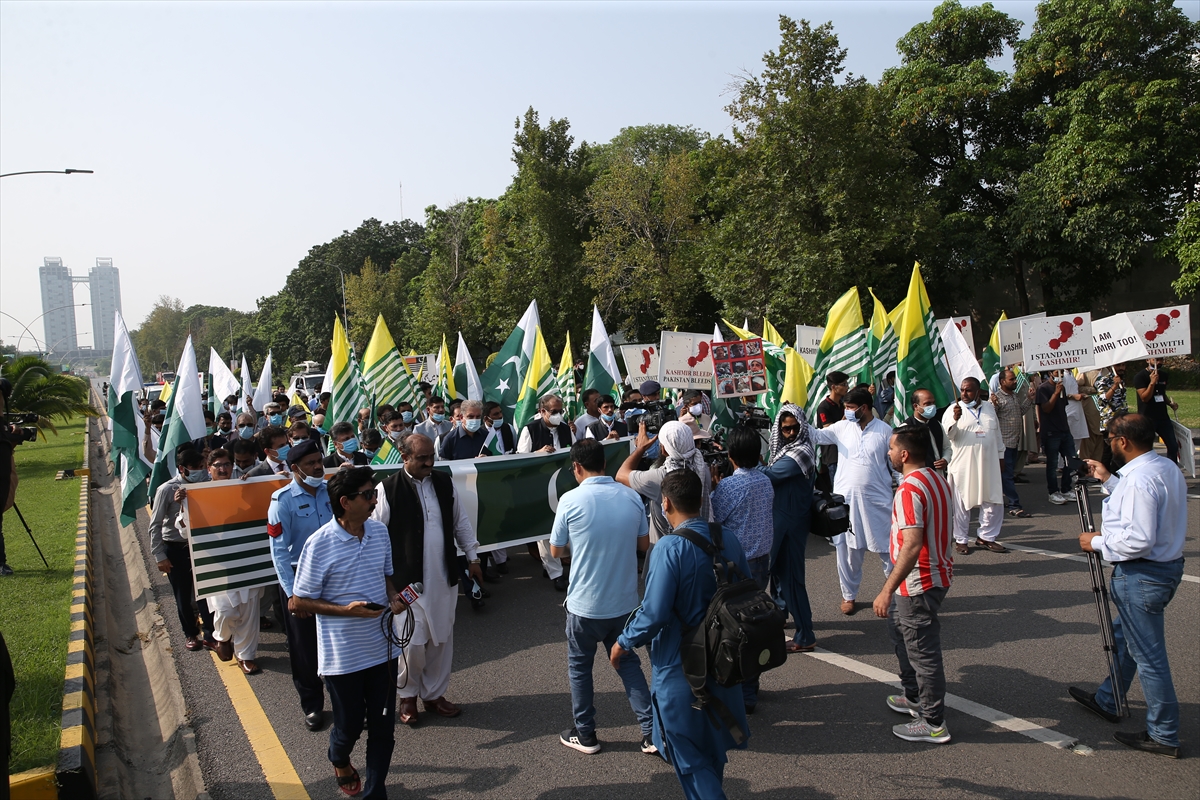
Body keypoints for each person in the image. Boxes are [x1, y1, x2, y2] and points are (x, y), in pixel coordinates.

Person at [611, 470, 750, 800]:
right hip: (726, 661)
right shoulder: (727, 537)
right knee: (713, 749)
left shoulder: (669, 548)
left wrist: (623, 642)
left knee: (689, 758)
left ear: (666, 502)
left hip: (681, 666)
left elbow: (654, 613)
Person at [1069, 412, 1187, 757]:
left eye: (1110, 439)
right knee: (1124, 635)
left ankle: (1164, 733)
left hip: (1143, 573)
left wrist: (1097, 542)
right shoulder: (1162, 468)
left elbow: (1138, 539)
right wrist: (1107, 479)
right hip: (1162, 570)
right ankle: (1109, 698)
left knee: (1149, 657)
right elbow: (1141, 507)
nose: (1109, 445)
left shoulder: (1140, 480)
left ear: (1123, 442)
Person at [291, 467, 400, 800]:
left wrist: (395, 597)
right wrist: (345, 610)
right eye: (367, 495)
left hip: (383, 650)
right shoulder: (319, 543)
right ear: (344, 502)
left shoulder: (379, 532)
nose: (374, 500)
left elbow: (385, 576)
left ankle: (374, 791)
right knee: (350, 726)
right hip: (343, 657)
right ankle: (339, 757)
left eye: (374, 494)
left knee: (383, 727)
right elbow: (298, 602)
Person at [548, 440, 654, 755]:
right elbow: (644, 544)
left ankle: (586, 734)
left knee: (580, 668)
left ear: (577, 467)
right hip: (623, 604)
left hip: (583, 605)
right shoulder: (632, 497)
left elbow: (556, 551)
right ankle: (650, 733)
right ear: (605, 464)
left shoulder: (570, 500)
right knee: (628, 663)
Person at [372, 433, 483, 726]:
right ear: (404, 456)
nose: (429, 462)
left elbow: (460, 522)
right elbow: (375, 535)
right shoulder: (388, 489)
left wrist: (473, 558)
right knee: (412, 642)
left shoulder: (444, 483)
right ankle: (407, 695)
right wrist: (386, 584)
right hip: (407, 584)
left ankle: (434, 695)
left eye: (431, 456)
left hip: (443, 576)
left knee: (441, 638)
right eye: (422, 457)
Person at [872, 425, 954, 745]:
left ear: (904, 454)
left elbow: (911, 544)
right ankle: (915, 696)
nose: (889, 453)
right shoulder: (935, 478)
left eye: (892, 448)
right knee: (903, 636)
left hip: (918, 582)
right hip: (930, 576)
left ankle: (933, 722)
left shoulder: (910, 489)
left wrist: (886, 589)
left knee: (923, 651)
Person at [267, 439, 334, 731]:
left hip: (333, 575)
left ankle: (344, 700)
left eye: (319, 461)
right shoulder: (281, 501)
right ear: (294, 468)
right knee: (305, 647)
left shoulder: (332, 491)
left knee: (336, 642)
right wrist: (292, 593)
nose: (318, 467)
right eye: (310, 464)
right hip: (300, 578)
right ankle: (312, 706)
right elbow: (279, 552)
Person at [810, 388, 895, 614]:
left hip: (878, 501)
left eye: (849, 408)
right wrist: (793, 415)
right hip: (846, 503)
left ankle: (895, 594)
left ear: (864, 408)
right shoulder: (841, 428)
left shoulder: (885, 431)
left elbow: (896, 465)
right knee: (846, 551)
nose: (846, 412)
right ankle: (849, 596)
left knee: (888, 548)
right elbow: (815, 435)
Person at [711, 425, 776, 712]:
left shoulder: (729, 486)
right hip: (761, 560)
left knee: (733, 628)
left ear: (731, 455)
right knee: (755, 622)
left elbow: (715, 520)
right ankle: (751, 685)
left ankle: (740, 690)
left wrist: (714, 485)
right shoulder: (765, 480)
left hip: (737, 565)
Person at [189, 449, 264, 674]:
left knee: (249, 611)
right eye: (218, 465)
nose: (223, 469)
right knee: (225, 610)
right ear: (209, 468)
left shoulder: (243, 488)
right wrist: (185, 505)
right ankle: (222, 637)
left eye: (227, 465)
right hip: (217, 565)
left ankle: (246, 656)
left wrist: (254, 486)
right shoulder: (196, 495)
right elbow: (186, 530)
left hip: (247, 560)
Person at [759, 403, 817, 654]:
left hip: (791, 524)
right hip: (781, 522)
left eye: (794, 428)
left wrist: (745, 464)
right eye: (785, 430)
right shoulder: (784, 451)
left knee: (792, 581)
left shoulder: (801, 452)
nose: (790, 434)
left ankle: (806, 634)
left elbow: (770, 476)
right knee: (781, 578)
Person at [148, 447, 217, 652]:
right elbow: (155, 524)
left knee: (206, 593)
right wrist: (159, 555)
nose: (199, 471)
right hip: (176, 548)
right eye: (194, 468)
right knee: (183, 594)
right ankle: (190, 633)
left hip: (201, 547)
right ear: (182, 469)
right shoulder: (167, 490)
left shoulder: (206, 485)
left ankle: (211, 634)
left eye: (202, 467)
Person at [617, 420, 712, 543]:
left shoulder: (661, 477)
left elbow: (620, 475)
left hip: (666, 547)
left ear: (664, 450)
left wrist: (640, 447)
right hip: (700, 541)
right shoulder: (703, 468)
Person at [943, 377, 1009, 555]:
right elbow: (949, 436)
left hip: (989, 463)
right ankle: (961, 539)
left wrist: (1001, 456)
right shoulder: (953, 409)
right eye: (962, 390)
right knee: (962, 503)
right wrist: (955, 420)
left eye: (968, 390)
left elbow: (996, 434)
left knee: (993, 500)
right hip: (964, 465)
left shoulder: (988, 407)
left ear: (978, 392)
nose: (964, 394)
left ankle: (987, 536)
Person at [517, 395, 575, 590]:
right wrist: (537, 454)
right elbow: (520, 460)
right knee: (546, 530)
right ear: (542, 412)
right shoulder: (530, 430)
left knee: (566, 528)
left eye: (561, 411)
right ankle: (556, 573)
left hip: (564, 486)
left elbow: (575, 452)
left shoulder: (566, 429)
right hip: (540, 487)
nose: (559, 415)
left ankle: (552, 564)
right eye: (554, 412)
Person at [989, 369, 1033, 518]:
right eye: (1011, 379)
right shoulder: (997, 398)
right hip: (1004, 444)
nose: (1015, 381)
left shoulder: (1013, 396)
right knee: (1007, 475)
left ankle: (1002, 500)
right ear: (1002, 382)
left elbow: (1019, 411)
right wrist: (993, 405)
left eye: (1014, 379)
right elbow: (991, 417)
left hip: (1014, 442)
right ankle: (1014, 505)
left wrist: (1029, 399)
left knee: (1007, 474)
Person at [1036, 370, 1078, 505]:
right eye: (1056, 372)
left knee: (1072, 459)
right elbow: (1046, 408)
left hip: (1064, 430)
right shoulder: (1042, 389)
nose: (1059, 374)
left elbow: (1062, 407)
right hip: (1051, 432)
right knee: (1053, 464)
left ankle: (1066, 489)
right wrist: (1055, 392)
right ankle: (1053, 492)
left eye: (1061, 371)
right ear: (1050, 373)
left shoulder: (1062, 388)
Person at [1132, 358, 1180, 465]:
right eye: (1156, 360)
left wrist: (1170, 403)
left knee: (1173, 445)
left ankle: (1171, 470)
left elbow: (1162, 393)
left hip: (1162, 416)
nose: (1159, 362)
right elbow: (1145, 398)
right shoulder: (1140, 377)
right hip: (1147, 417)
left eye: (1161, 360)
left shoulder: (1164, 375)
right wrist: (1152, 383)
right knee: (1147, 448)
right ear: (1148, 360)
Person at [814, 370, 850, 491]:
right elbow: (829, 430)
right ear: (834, 387)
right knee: (838, 490)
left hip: (846, 452)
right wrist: (845, 418)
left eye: (847, 384)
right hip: (833, 455)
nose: (847, 387)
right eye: (844, 384)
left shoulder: (843, 404)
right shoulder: (824, 407)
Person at [903, 389, 948, 475]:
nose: (932, 406)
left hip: (939, 475)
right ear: (916, 406)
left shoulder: (936, 424)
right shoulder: (907, 428)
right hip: (919, 478)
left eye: (933, 403)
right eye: (927, 404)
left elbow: (947, 447)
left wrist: (945, 459)